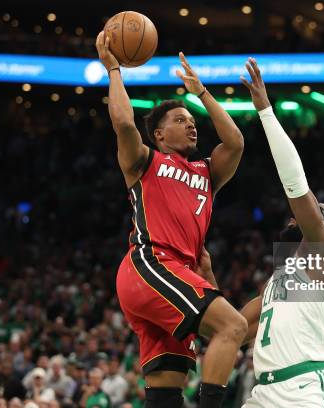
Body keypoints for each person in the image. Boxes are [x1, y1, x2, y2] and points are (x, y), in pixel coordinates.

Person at [95, 30, 247, 408]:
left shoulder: (206, 172)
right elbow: (124, 124)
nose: (191, 124)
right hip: (151, 263)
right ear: (160, 134)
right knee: (233, 326)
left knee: (166, 387)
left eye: (191, 120)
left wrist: (202, 94)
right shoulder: (144, 161)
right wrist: (114, 69)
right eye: (181, 120)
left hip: (172, 273)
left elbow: (236, 142)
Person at [234, 57, 324, 407]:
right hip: (263, 392)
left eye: (318, 212)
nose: (302, 214)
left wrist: (266, 112)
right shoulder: (276, 283)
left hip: (305, 388)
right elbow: (234, 329)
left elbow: (295, 184)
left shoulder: (322, 254)